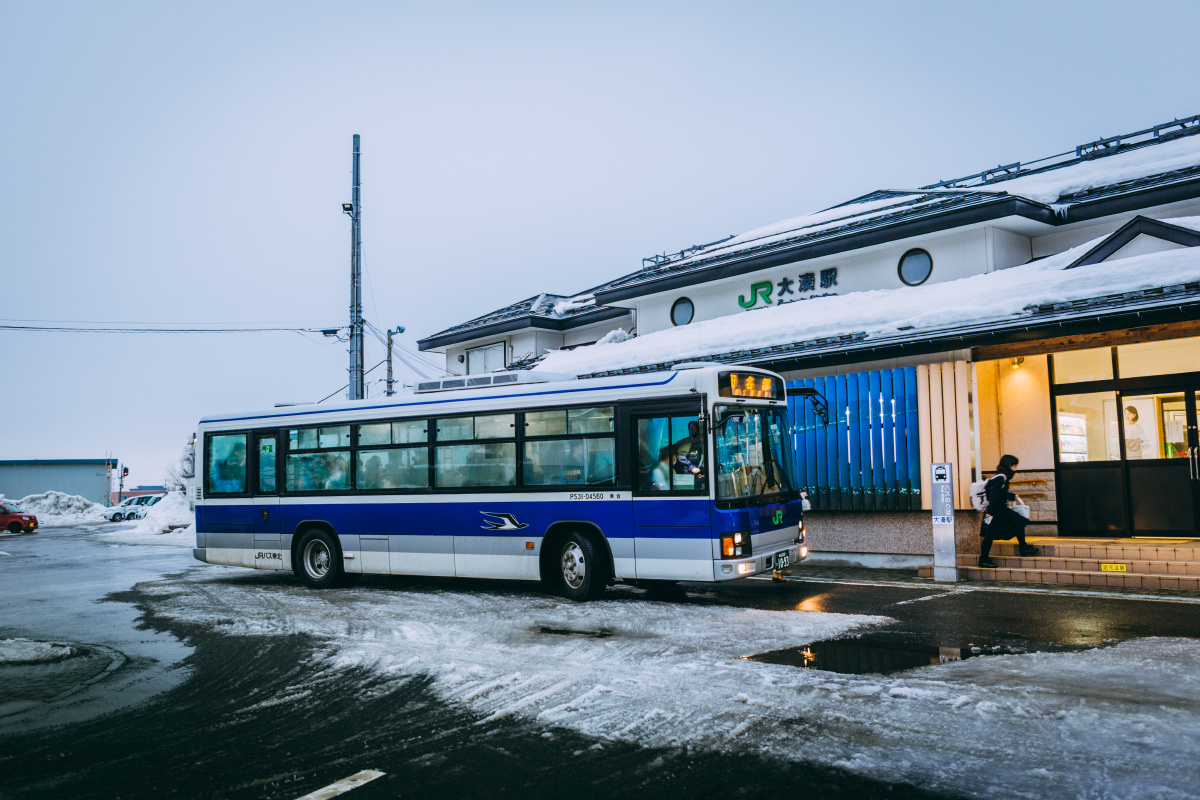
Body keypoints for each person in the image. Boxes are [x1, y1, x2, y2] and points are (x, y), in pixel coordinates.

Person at [978, 454, 1039, 568]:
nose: (1015, 468)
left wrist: (1011, 496)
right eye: (1014, 465)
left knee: (1015, 524)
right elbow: (994, 495)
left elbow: (998, 493)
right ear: (1009, 465)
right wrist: (989, 513)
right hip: (996, 511)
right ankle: (984, 559)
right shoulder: (1001, 477)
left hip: (996, 511)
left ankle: (1023, 547)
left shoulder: (1001, 476)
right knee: (993, 534)